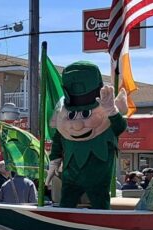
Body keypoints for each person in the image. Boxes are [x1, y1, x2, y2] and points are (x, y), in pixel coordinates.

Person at [45, 61, 127, 210]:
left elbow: (120, 127)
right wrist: (54, 162)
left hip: (98, 177)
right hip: (70, 176)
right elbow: (58, 140)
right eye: (73, 115)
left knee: (100, 202)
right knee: (66, 203)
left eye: (85, 113)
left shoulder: (106, 120)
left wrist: (112, 111)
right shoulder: (63, 122)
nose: (77, 125)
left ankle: (102, 226)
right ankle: (64, 226)